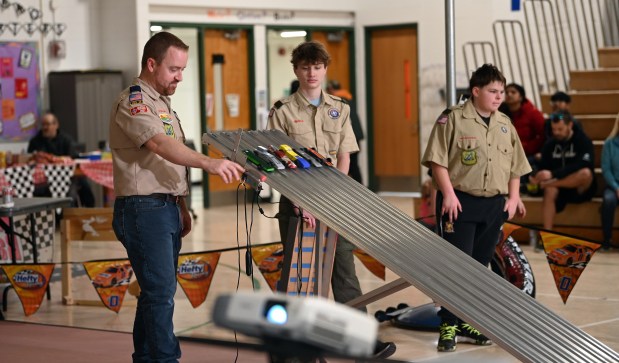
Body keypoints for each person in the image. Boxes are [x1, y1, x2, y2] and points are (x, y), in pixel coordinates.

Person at [108, 31, 244, 362]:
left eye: (183, 69)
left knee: (155, 294)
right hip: (143, 209)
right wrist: (209, 162)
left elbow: (165, 162)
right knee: (160, 293)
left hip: (164, 208)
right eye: (174, 69)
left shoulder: (163, 104)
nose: (180, 77)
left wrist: (181, 205)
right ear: (151, 64)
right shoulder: (134, 101)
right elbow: (159, 145)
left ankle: (146, 358)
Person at [268, 40, 396, 359]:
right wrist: (301, 202)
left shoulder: (340, 108)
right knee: (301, 277)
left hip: (333, 202)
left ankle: (363, 340)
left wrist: (334, 198)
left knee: (344, 272)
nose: (312, 73)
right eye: (305, 67)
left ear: (325, 69)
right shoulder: (282, 111)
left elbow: (344, 156)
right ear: (296, 70)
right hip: (298, 205)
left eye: (318, 67)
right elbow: (277, 164)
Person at [421, 64, 530, 352]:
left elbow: (516, 165)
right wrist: (448, 194)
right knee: (457, 266)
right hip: (459, 203)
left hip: (493, 206)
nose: (498, 97)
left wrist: (513, 197)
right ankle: (448, 324)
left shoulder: (505, 123)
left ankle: (467, 320)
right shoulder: (452, 119)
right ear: (476, 91)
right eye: (493, 91)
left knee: (479, 267)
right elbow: (437, 161)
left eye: (501, 92)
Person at [529, 110, 596, 232]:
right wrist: (535, 176)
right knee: (549, 189)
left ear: (570, 125)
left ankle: (552, 184)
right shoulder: (550, 144)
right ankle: (547, 233)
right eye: (554, 129)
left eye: (560, 129)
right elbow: (544, 165)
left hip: (579, 188)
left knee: (586, 173)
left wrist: (554, 175)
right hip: (559, 188)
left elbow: (585, 164)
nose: (556, 133)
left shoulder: (583, 140)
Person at [27, 112, 96, 207]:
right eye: (43, 125)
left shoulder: (66, 139)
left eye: (48, 124)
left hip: (67, 175)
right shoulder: (35, 141)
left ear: (56, 125)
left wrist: (59, 160)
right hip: (43, 178)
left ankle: (89, 212)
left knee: (84, 184)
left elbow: (73, 157)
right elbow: (30, 159)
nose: (45, 127)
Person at [326, 79, 365, 184]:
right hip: (356, 134)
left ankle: (358, 189)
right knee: (354, 164)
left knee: (350, 165)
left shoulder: (337, 101)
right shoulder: (348, 97)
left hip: (347, 135)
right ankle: (360, 188)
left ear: (330, 89)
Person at [600, 113, 619, 251]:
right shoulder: (609, 143)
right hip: (613, 185)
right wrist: (616, 187)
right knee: (608, 200)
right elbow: (606, 169)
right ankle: (607, 240)